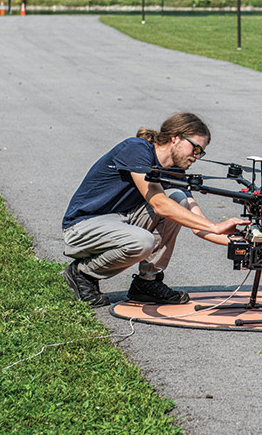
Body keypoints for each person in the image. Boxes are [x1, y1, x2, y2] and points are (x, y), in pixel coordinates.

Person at [61, 112, 249, 307]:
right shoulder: (136, 149)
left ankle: (146, 283)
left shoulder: (175, 171)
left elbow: (197, 225)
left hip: (119, 222)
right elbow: (159, 204)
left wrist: (247, 244)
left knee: (179, 199)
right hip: (82, 227)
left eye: (201, 152)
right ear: (175, 137)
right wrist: (216, 226)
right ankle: (82, 273)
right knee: (144, 240)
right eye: (196, 148)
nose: (197, 157)